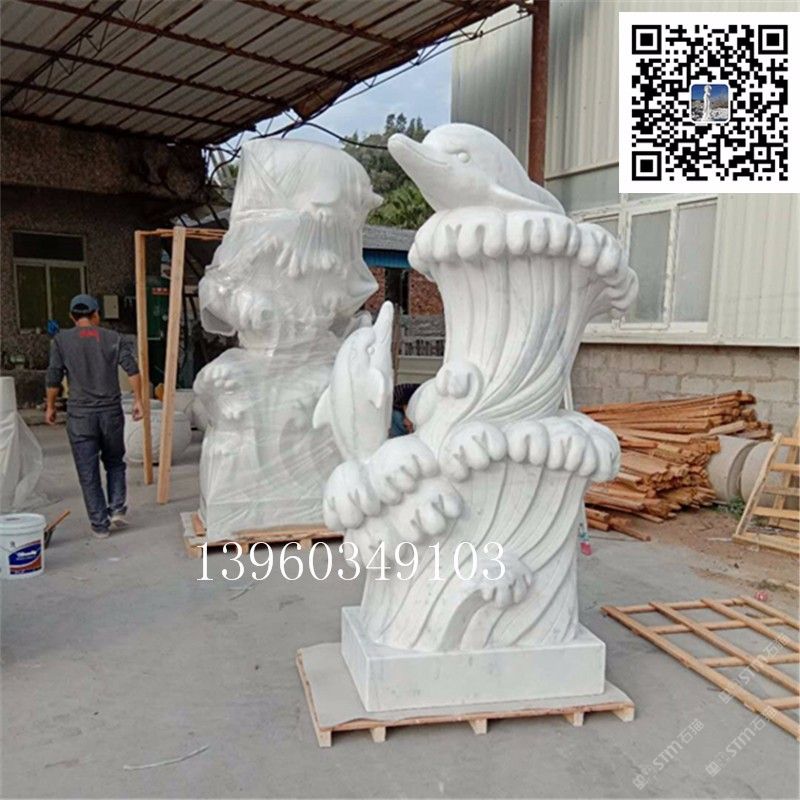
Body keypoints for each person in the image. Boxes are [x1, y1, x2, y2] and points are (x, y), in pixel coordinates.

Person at [45, 294, 144, 538]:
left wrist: (50, 406)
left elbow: (53, 377)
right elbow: (132, 370)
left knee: (87, 471)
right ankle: (117, 508)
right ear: (96, 314)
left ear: (72, 316)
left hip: (80, 415)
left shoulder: (61, 341)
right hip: (110, 412)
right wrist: (138, 400)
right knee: (115, 461)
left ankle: (100, 525)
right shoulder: (112, 338)